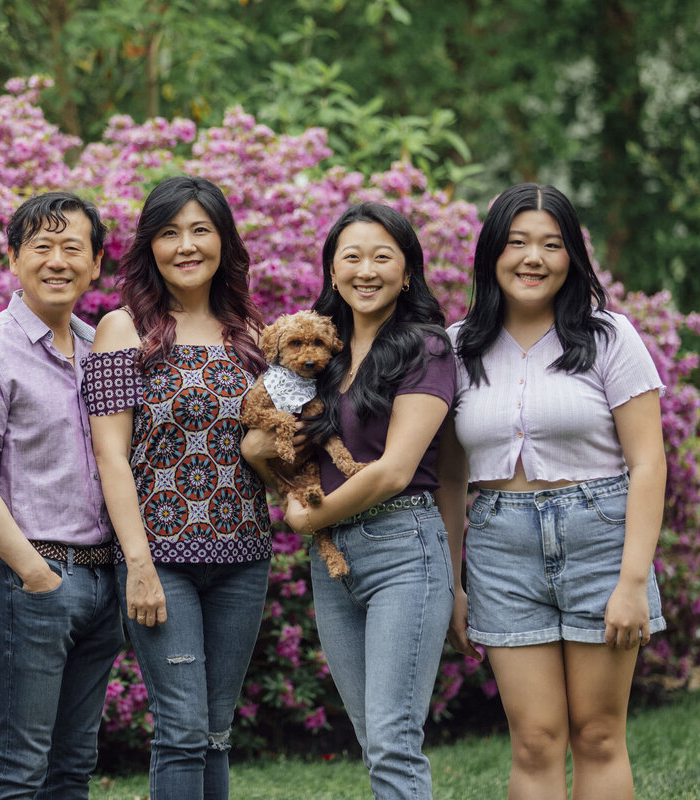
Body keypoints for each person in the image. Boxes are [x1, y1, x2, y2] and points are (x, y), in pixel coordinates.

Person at [437, 183, 666, 800]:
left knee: (598, 735)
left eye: (552, 244)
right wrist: (453, 584)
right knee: (535, 740)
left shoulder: (609, 336)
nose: (533, 258)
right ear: (492, 253)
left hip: (602, 541)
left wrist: (632, 582)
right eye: (517, 242)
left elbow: (648, 462)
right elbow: (452, 477)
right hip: (501, 549)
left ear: (573, 258)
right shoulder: (458, 347)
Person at [255, 203, 457, 800]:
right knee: (374, 741)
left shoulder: (426, 348)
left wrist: (307, 515)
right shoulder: (321, 354)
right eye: (352, 257)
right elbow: (266, 438)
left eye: (382, 257)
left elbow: (394, 471)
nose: (366, 270)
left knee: (394, 742)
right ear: (333, 270)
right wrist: (264, 453)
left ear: (407, 271)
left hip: (404, 547)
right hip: (335, 560)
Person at [83, 176, 271, 800]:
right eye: (169, 233)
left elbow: (270, 443)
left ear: (223, 242)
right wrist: (137, 564)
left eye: (200, 230)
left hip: (244, 557)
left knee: (215, 732)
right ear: (150, 247)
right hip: (160, 558)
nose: (186, 246)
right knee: (183, 730)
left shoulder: (251, 332)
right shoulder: (121, 328)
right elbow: (110, 455)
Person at [0, 192, 124, 799]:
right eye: (42, 246)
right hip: (33, 580)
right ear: (14, 259)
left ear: (96, 263)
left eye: (73, 247)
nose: (57, 261)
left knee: (73, 766)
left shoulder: (99, 349)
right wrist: (35, 574)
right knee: (22, 766)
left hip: (102, 581)